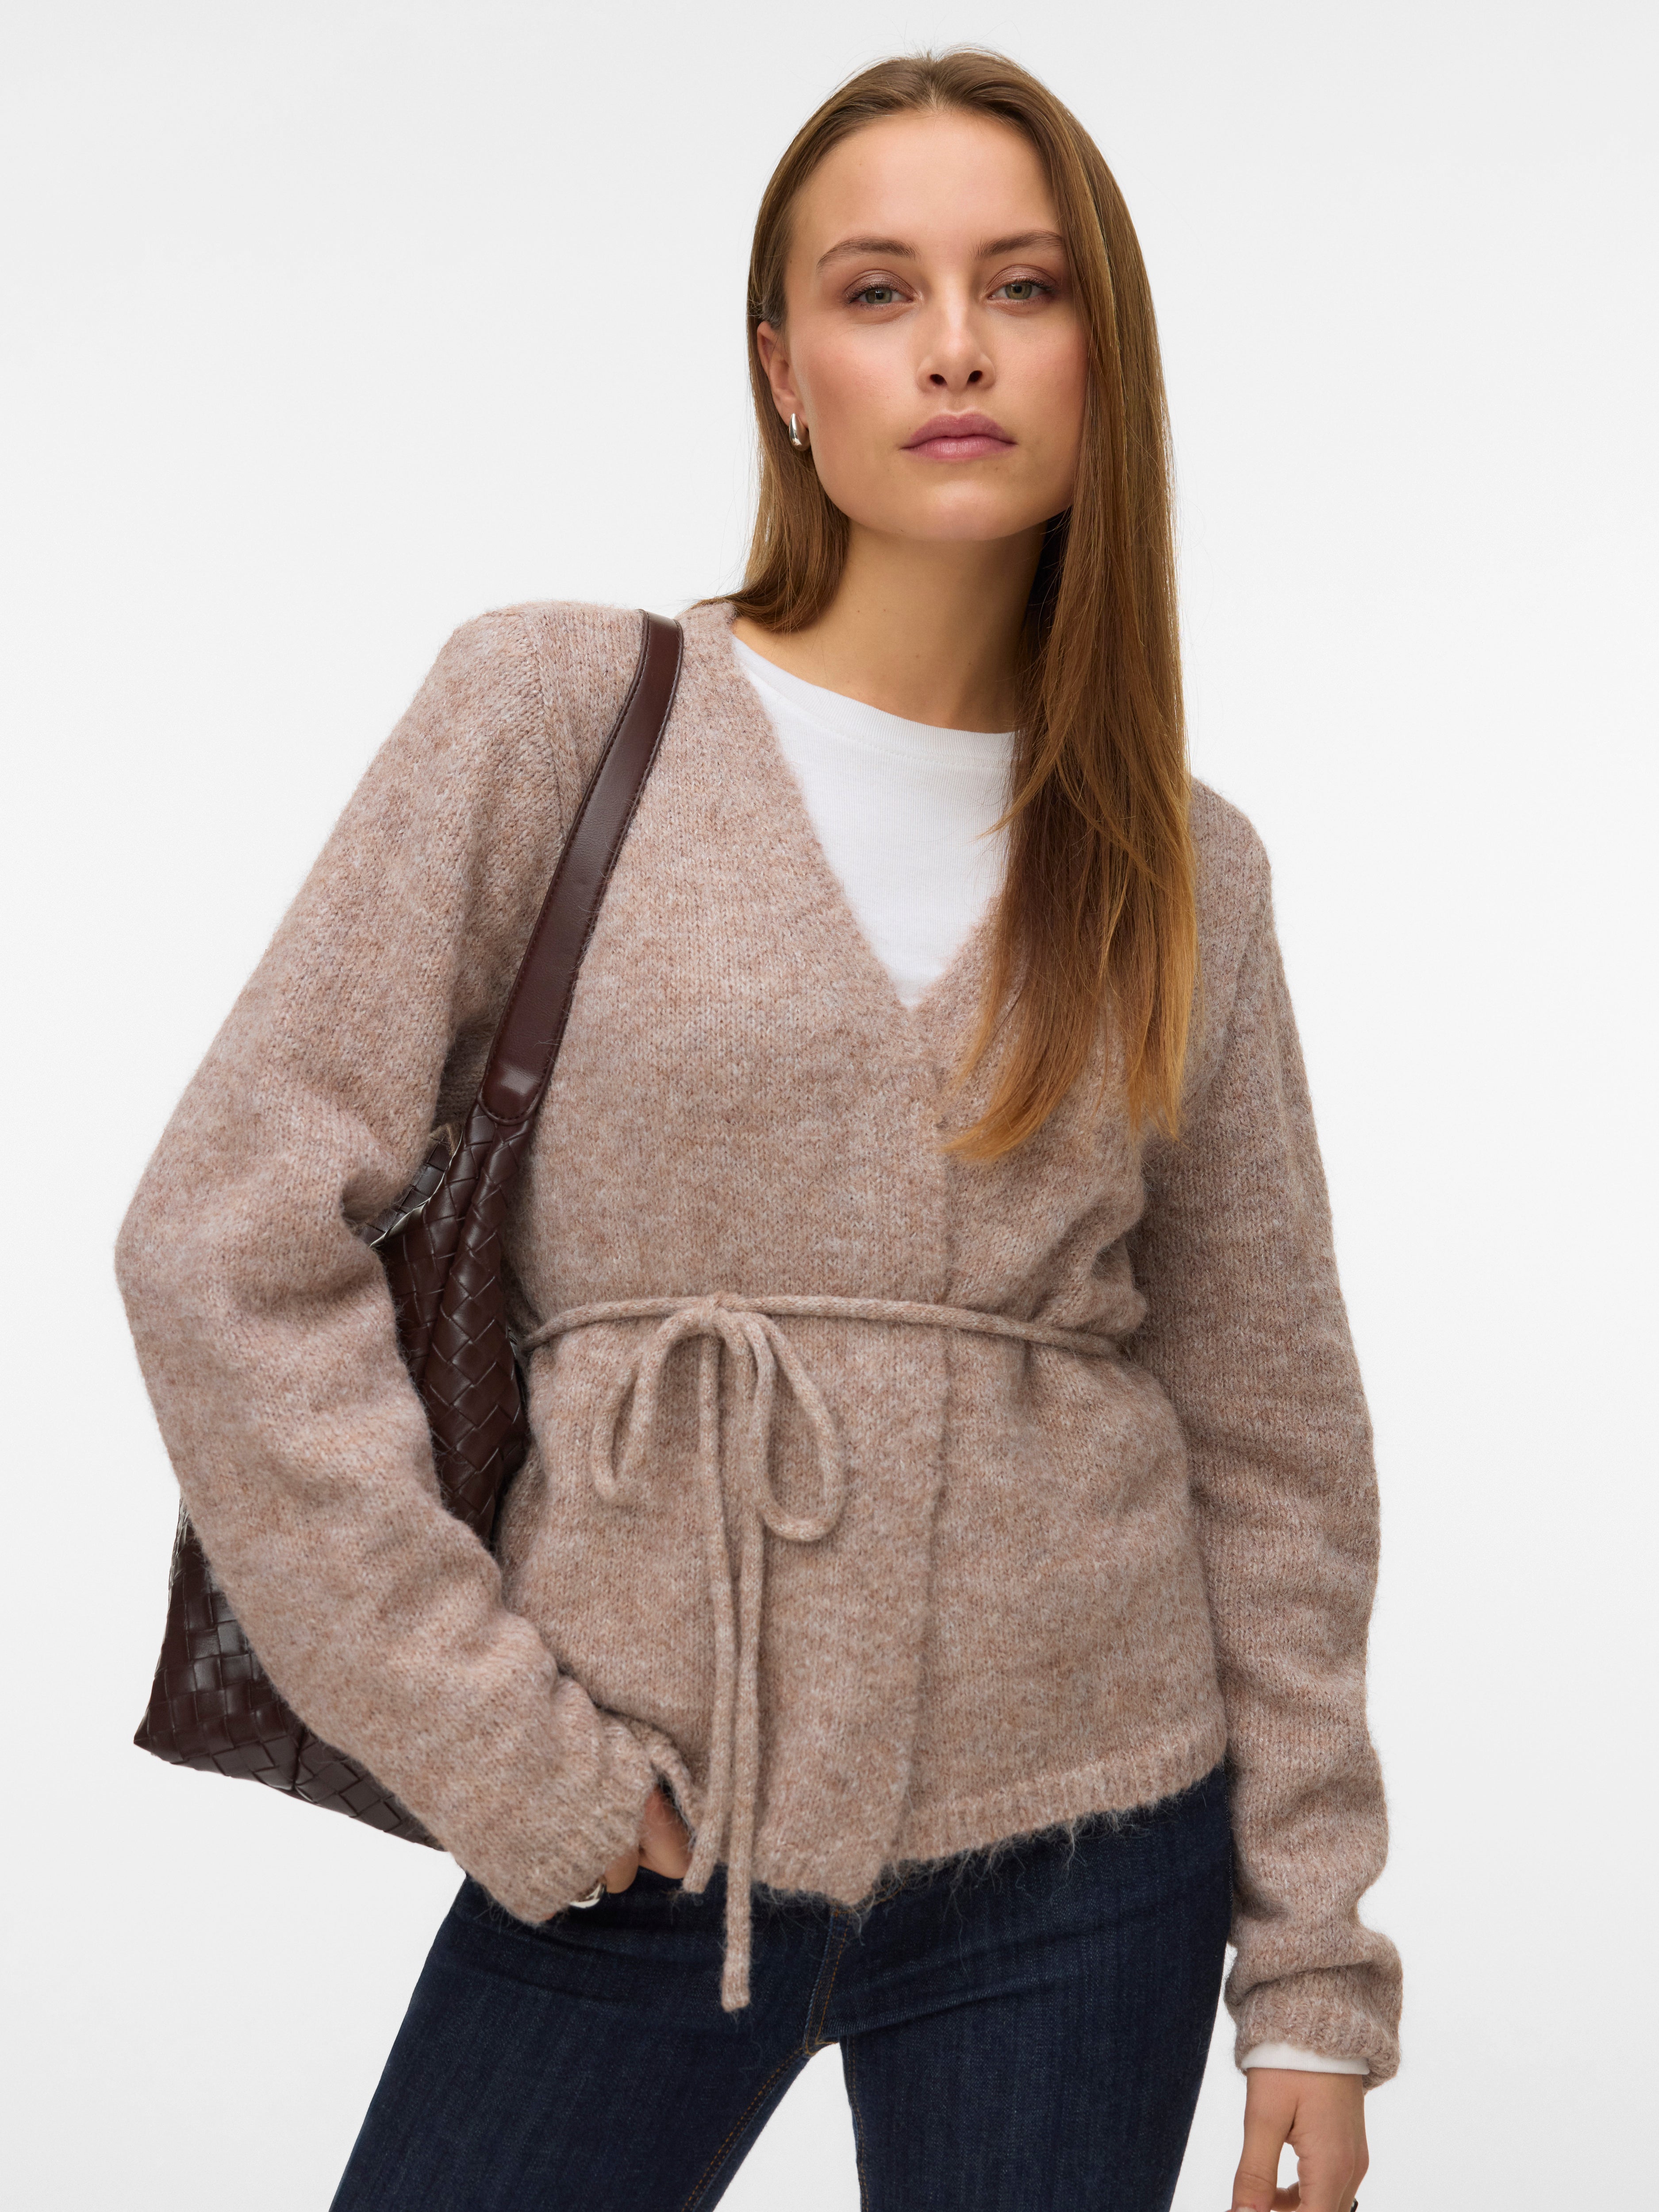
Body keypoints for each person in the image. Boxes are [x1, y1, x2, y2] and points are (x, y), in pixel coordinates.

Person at [115, 47, 1399, 2212]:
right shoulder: (552, 708)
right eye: (877, 291)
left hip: (1092, 1854)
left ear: (1102, 359)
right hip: (625, 1818)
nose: (955, 346)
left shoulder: (1186, 865)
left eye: (1021, 286)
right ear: (783, 374)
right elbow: (219, 1242)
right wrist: (494, 1740)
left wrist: (1306, 1971)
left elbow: (1270, 1430)